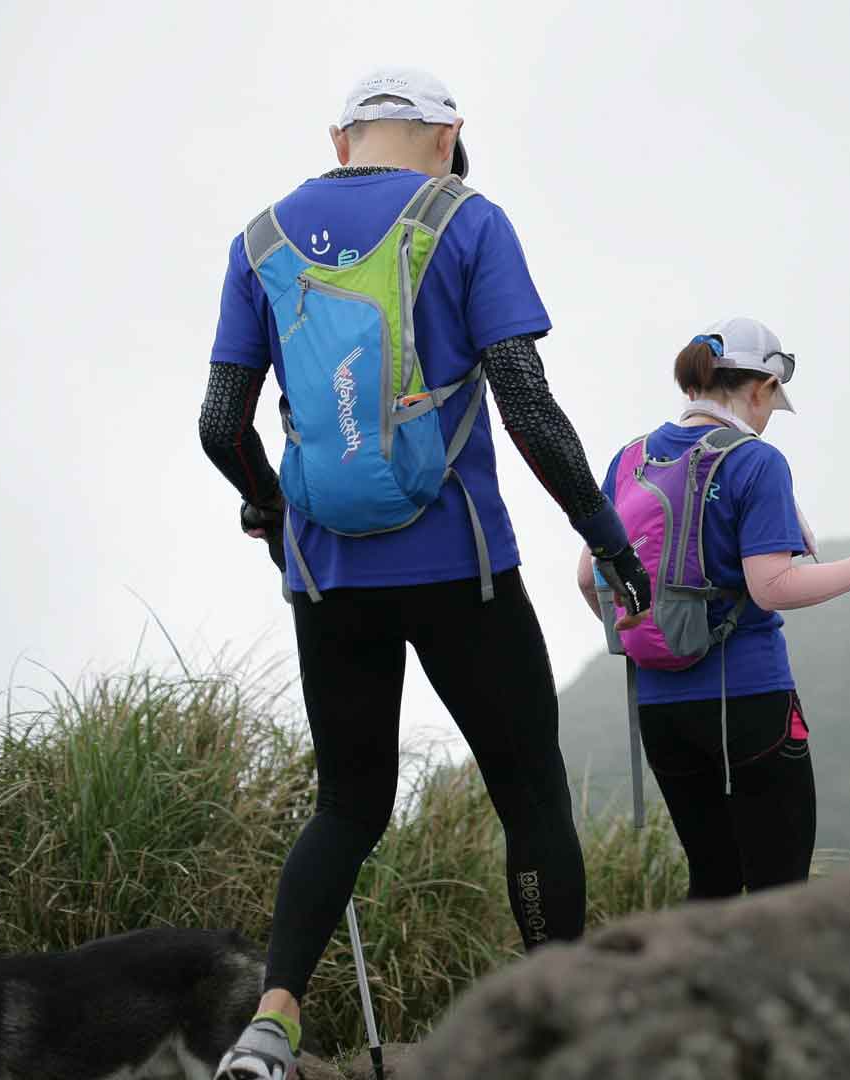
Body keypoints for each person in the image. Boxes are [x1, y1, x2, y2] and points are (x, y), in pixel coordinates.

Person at [200, 68, 648, 1080]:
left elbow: (218, 425)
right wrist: (609, 539)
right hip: (465, 566)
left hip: (328, 575)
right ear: (448, 136)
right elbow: (528, 406)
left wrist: (273, 512)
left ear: (341, 136)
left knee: (348, 805)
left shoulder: (259, 241)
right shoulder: (468, 219)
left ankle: (269, 1028)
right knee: (530, 795)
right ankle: (559, 1030)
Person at [578, 318, 850, 900]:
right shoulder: (755, 461)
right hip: (749, 701)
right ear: (759, 387)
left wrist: (657, 633)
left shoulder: (629, 458)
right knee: (778, 893)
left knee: (711, 881)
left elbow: (590, 576)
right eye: (771, 401)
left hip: (660, 709)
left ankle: (693, 993)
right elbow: (772, 586)